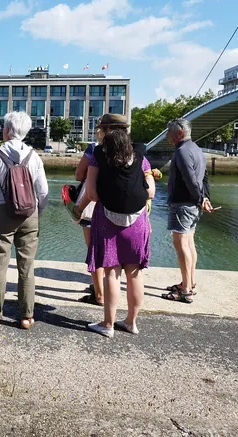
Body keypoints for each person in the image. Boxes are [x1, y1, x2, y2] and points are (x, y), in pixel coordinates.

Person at [84, 116, 156, 338]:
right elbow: (151, 192)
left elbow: (91, 194)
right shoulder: (141, 158)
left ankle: (108, 325)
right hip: (137, 220)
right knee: (134, 274)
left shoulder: (98, 157)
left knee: (111, 273)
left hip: (108, 220)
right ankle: (131, 322)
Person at [0, 111, 49, 330]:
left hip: (3, 214)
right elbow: (43, 192)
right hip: (30, 214)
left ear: (7, 130)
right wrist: (38, 212)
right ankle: (26, 316)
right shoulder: (34, 156)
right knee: (26, 266)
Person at [73, 114, 130, 306]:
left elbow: (79, 174)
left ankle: (99, 294)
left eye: (101, 129)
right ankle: (111, 292)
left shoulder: (95, 150)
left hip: (93, 205)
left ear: (106, 130)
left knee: (94, 250)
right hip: (125, 208)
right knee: (118, 256)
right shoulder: (134, 151)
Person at [163, 118, 214, 304]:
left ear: (179, 133)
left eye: (169, 131)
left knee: (181, 244)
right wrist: (205, 198)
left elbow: (191, 180)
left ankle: (185, 290)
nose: (167, 135)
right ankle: (189, 282)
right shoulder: (197, 150)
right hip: (192, 204)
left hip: (183, 204)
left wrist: (200, 199)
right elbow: (204, 178)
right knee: (190, 243)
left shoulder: (182, 151)